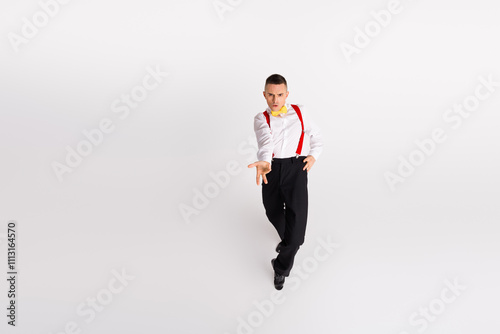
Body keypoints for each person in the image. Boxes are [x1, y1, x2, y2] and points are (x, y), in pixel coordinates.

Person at [248, 74, 323, 290]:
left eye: (280, 95)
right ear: (264, 95)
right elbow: (265, 141)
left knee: (297, 235)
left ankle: (281, 267)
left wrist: (314, 155)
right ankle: (288, 240)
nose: (275, 99)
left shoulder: (300, 112)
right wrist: (264, 160)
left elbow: (316, 135)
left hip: (296, 168)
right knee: (272, 211)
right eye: (271, 95)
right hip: (270, 168)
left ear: (286, 94)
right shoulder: (261, 118)